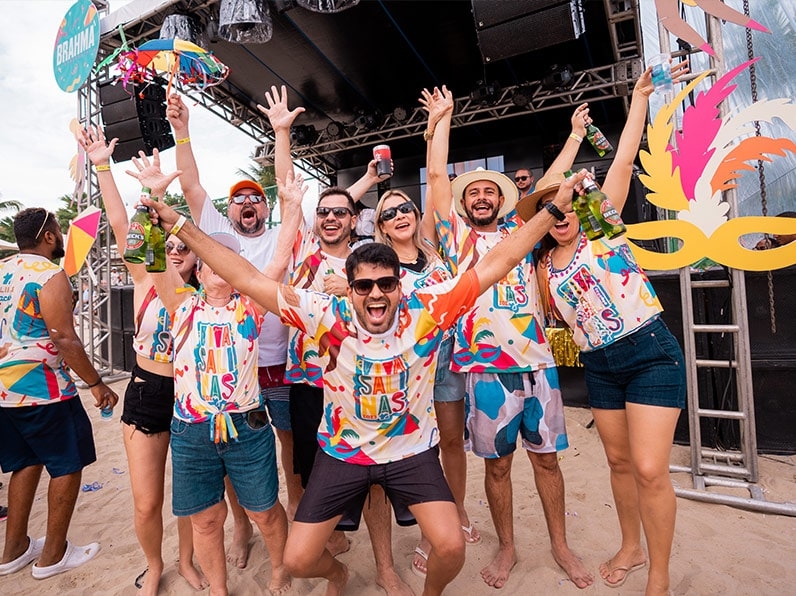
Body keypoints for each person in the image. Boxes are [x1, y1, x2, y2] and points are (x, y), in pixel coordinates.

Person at [141, 166, 585, 596]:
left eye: (386, 284)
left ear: (400, 287)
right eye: (364, 285)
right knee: (298, 561)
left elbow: (500, 260)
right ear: (348, 288)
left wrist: (550, 212)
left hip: (410, 451)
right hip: (343, 454)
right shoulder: (323, 313)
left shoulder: (428, 308)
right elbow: (243, 275)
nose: (376, 294)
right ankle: (338, 576)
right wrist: (179, 224)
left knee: (450, 547)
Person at [524, 60, 689, 596]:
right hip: (599, 364)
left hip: (649, 352)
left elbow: (621, 156)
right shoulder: (542, 269)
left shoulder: (603, 227)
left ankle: (659, 576)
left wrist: (638, 98)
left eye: (567, 199)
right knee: (619, 462)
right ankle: (631, 546)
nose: (562, 208)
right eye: (552, 206)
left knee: (647, 468)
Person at [421, 84, 593, 589]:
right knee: (497, 470)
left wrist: (576, 135)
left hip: (537, 363)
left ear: (502, 200)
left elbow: (555, 181)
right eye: (472, 192)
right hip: (486, 370)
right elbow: (435, 175)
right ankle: (508, 547)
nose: (479, 197)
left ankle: (561, 546)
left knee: (548, 463)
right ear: (463, 203)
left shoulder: (524, 230)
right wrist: (443, 120)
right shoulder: (455, 240)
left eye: (488, 191)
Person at [260, 84, 411, 595]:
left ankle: (386, 565)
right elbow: (286, 190)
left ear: (354, 219)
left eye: (339, 212)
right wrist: (282, 132)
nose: (328, 218)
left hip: (365, 380)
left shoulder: (367, 260)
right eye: (322, 212)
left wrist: (347, 288)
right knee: (302, 467)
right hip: (307, 380)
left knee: (374, 479)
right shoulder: (301, 246)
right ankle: (323, 555)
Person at [136, 153, 304, 596]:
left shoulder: (251, 306)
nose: (218, 265)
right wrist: (154, 193)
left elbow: (281, 259)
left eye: (229, 260)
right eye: (211, 258)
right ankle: (218, 588)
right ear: (198, 266)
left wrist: (292, 207)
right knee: (206, 518)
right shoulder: (180, 303)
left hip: (247, 427)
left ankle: (280, 569)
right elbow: (153, 256)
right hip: (191, 431)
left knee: (265, 511)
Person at [79, 127, 208, 594]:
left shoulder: (206, 296)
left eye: (183, 247)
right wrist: (102, 166)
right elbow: (118, 223)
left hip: (191, 397)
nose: (175, 252)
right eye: (169, 246)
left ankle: (188, 561)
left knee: (191, 499)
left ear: (197, 257)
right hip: (146, 392)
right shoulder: (144, 278)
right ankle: (154, 565)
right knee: (146, 502)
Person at [0, 208, 119, 580]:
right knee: (68, 463)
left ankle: (14, 549)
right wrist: (96, 382)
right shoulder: (50, 274)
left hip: (5, 389)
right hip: (44, 389)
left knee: (25, 462)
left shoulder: (3, 269)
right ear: (49, 236)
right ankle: (52, 555)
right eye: (57, 231)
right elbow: (63, 336)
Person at [373, 188, 482, 580]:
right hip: (407, 371)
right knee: (420, 449)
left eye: (405, 208)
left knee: (452, 440)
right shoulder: (380, 265)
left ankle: (458, 508)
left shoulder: (438, 254)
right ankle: (428, 531)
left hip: (449, 361)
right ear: (381, 227)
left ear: (417, 214)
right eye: (389, 214)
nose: (400, 216)